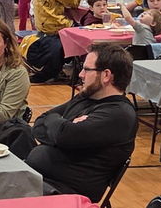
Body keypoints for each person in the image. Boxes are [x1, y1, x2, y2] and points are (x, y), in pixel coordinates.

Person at [26, 43, 137, 201]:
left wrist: (61, 128)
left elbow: (64, 135)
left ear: (106, 75)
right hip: (41, 181)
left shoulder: (118, 114)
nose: (81, 74)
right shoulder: (86, 97)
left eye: (87, 69)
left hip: (65, 195)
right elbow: (39, 123)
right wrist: (61, 126)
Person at [30, 0, 82, 83]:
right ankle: (77, 64)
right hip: (54, 24)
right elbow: (74, 3)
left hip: (41, 22)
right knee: (81, 27)